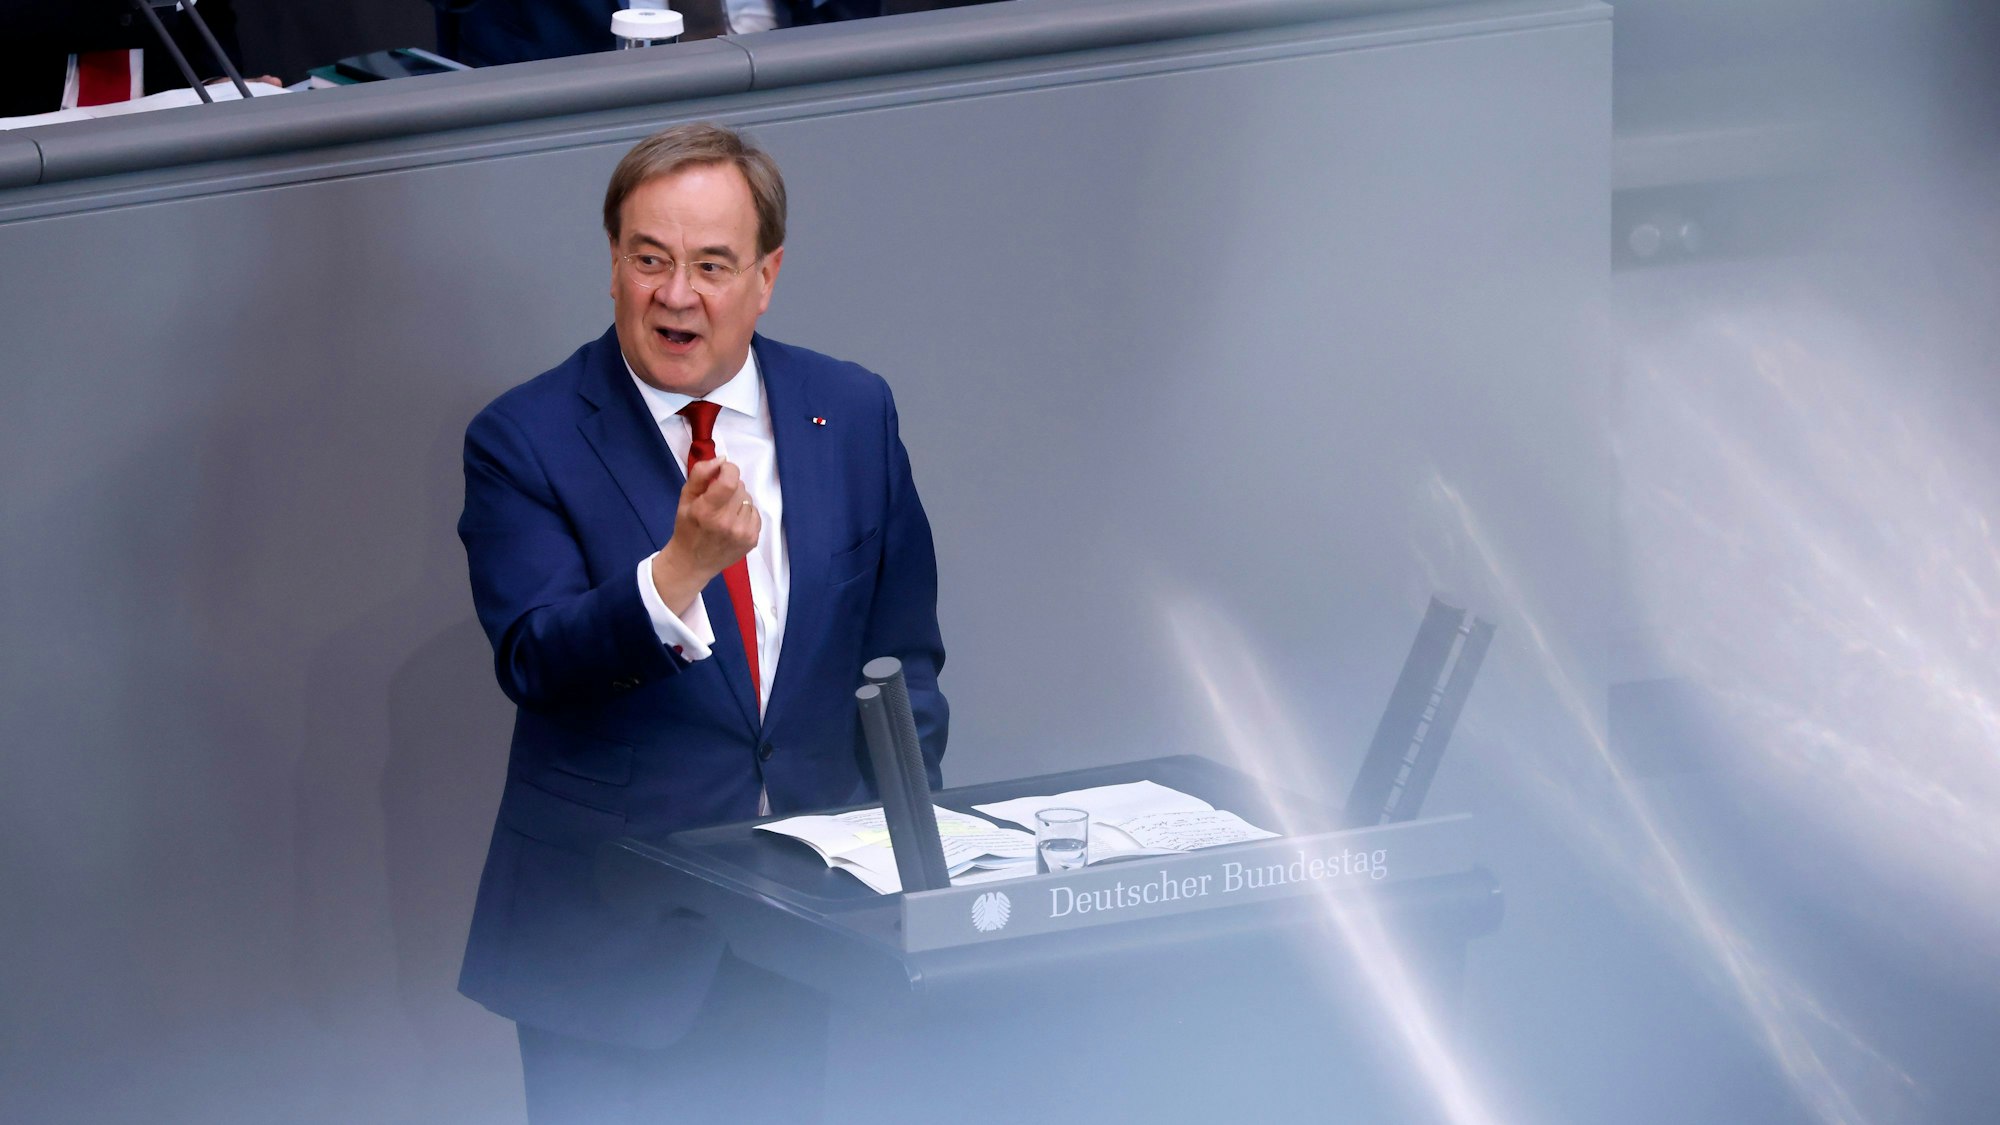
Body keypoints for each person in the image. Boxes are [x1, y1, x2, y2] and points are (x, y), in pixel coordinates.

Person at [455, 122, 948, 1122]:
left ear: (765, 278)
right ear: (612, 266)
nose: (674, 294)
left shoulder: (848, 410)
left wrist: (901, 845)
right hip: (607, 953)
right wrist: (677, 574)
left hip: (803, 940)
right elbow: (537, 659)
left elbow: (903, 661)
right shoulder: (525, 437)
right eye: (649, 260)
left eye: (711, 265)